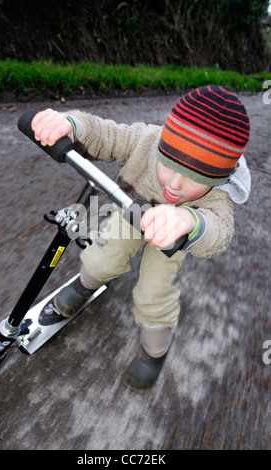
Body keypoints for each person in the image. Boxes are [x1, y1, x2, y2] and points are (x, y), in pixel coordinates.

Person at [31, 85, 251, 392]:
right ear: (163, 145)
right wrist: (71, 124)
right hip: (131, 208)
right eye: (169, 166)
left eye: (195, 180)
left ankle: (154, 351)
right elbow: (105, 134)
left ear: (217, 178)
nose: (174, 185)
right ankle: (85, 285)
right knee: (101, 254)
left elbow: (221, 231)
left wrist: (190, 220)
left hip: (172, 236)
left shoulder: (219, 192)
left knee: (154, 291)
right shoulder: (148, 140)